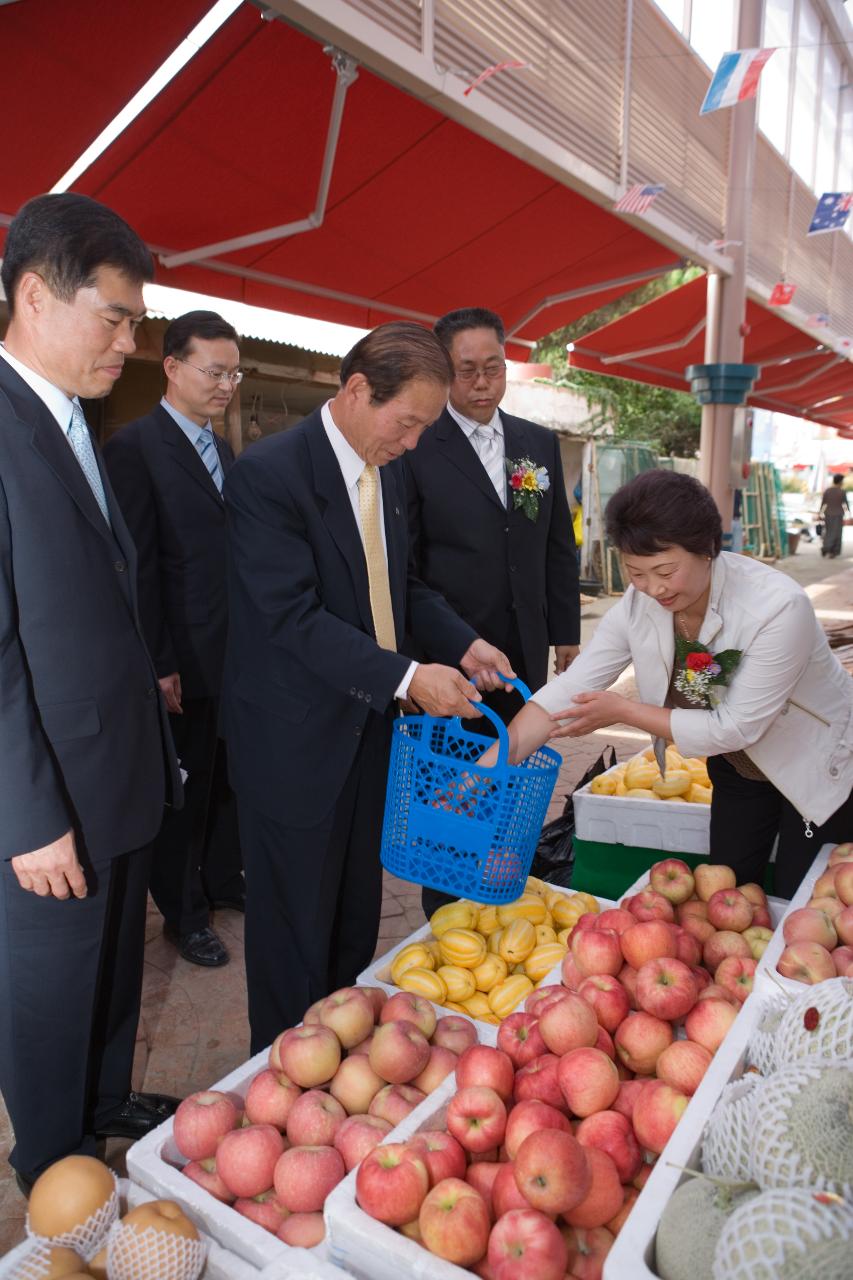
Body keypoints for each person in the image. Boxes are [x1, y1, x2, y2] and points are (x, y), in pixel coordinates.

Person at [223, 321, 514, 1051]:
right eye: (407, 422)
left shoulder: (386, 467)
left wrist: (462, 641)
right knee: (294, 929)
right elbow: (290, 617)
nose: (415, 442)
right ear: (356, 391)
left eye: (423, 427)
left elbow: (398, 585)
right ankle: (281, 1070)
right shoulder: (270, 474)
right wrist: (411, 676)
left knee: (353, 913)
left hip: (369, 733)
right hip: (295, 741)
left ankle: (344, 1053)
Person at [0, 193, 183, 1191]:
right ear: (36, 296)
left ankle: (103, 1102)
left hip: (113, 768)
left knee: (113, 968)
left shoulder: (71, 415)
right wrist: (30, 817)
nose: (129, 340)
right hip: (47, 792)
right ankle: (53, 1161)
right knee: (50, 989)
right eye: (114, 317)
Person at [490, 469, 853, 900]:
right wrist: (485, 770)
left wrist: (622, 711)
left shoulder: (777, 607)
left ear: (707, 549)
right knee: (729, 894)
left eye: (665, 570)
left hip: (814, 763)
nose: (653, 588)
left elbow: (735, 725)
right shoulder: (638, 603)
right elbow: (570, 689)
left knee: (805, 900)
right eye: (635, 572)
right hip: (738, 767)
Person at [402, 307, 580, 918]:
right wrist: (434, 651)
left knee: (515, 784)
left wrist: (566, 634)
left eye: (494, 369)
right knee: (453, 789)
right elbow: (410, 567)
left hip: (525, 647)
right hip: (453, 655)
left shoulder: (537, 443)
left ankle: (503, 897)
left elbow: (558, 543)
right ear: (444, 373)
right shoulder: (418, 446)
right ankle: (446, 913)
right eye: (467, 371)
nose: (482, 384)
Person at [104, 311, 244, 968]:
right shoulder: (134, 449)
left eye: (233, 372)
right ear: (172, 367)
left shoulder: (224, 449)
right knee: (182, 791)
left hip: (231, 651)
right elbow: (137, 566)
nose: (226, 385)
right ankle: (182, 915)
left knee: (224, 780)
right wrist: (158, 661)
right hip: (178, 656)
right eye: (214, 371)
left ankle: (220, 883)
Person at [820, 473, 849, 559]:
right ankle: (833, 551)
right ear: (840, 481)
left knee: (828, 532)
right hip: (838, 515)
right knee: (837, 534)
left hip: (828, 514)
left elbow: (823, 503)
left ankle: (826, 548)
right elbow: (845, 504)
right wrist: (849, 514)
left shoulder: (828, 491)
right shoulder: (842, 491)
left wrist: (820, 513)